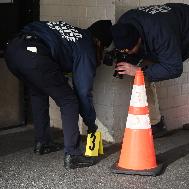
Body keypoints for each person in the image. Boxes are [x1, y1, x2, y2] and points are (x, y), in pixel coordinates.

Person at [111, 3, 189, 163]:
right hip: (166, 33)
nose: (128, 54)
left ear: (139, 40)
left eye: (131, 51)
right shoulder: (125, 24)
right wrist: (130, 64)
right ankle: (155, 124)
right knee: (140, 78)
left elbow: (174, 68)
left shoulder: (161, 34)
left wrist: (137, 70)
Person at [4, 20, 113, 169]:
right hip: (34, 54)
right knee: (69, 100)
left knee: (38, 92)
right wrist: (91, 124)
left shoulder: (75, 34)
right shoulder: (86, 46)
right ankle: (73, 155)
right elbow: (82, 91)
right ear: (99, 42)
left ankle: (43, 142)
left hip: (12, 50)